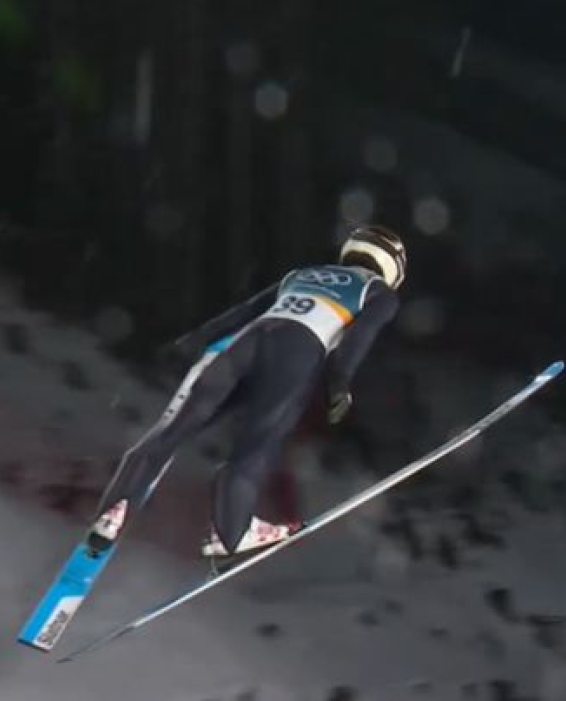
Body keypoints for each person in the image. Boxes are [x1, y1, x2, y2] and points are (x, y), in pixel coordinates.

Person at [90, 225, 406, 558]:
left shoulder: (301, 275)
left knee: (171, 432)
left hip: (246, 343)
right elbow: (360, 336)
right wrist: (339, 381)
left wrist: (189, 343)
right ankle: (230, 533)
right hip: (296, 352)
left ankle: (113, 512)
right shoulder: (380, 293)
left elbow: (242, 313)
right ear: (393, 266)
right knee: (256, 446)